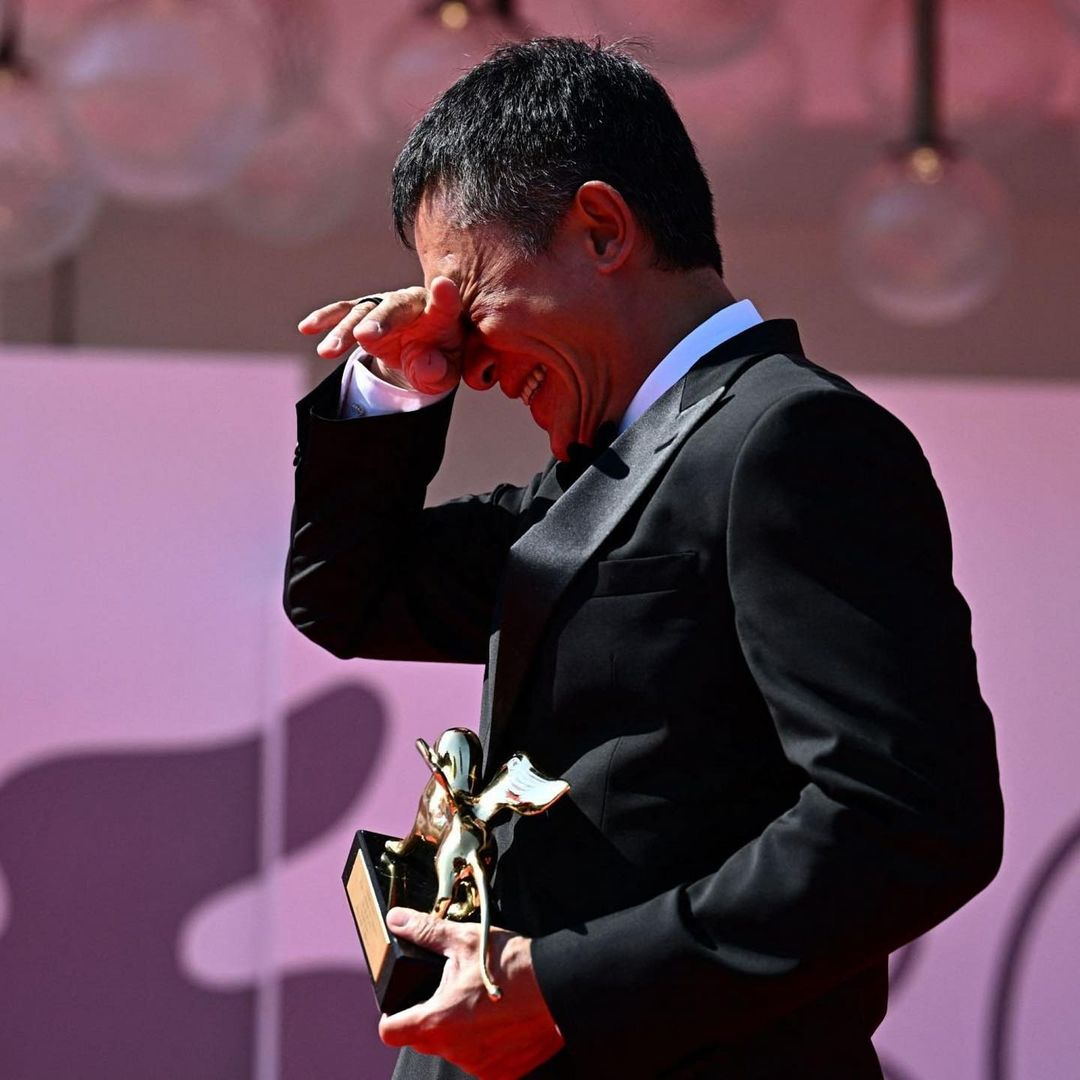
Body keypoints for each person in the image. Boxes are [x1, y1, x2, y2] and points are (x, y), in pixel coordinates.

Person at [285, 38, 1003, 1080]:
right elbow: (350, 598)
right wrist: (396, 386)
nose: (470, 356)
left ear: (602, 228)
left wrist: (567, 989)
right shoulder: (595, 471)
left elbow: (907, 819)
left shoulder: (793, 440)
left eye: (466, 291)